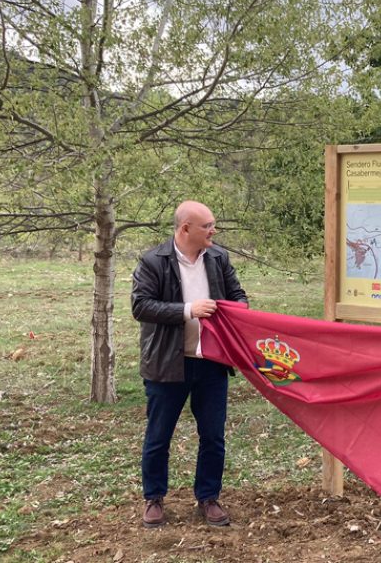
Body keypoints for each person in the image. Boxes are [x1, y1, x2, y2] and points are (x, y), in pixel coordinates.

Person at [131, 200, 248, 528]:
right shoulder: (153, 261)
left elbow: (238, 294)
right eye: (207, 225)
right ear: (185, 229)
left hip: (212, 363)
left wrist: (238, 309)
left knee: (213, 436)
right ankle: (154, 498)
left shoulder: (219, 257)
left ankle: (208, 498)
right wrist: (187, 310)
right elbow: (141, 306)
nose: (214, 230)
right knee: (159, 436)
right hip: (167, 365)